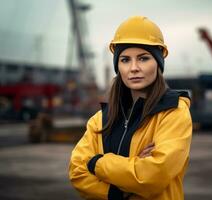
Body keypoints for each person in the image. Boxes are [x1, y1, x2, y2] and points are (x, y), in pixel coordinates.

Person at [69, 15, 193, 200]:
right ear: (118, 66)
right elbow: (77, 172)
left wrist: (98, 162)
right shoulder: (100, 119)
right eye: (125, 60)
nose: (133, 68)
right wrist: (118, 191)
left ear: (158, 63)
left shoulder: (173, 113)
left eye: (143, 58)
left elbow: (152, 176)